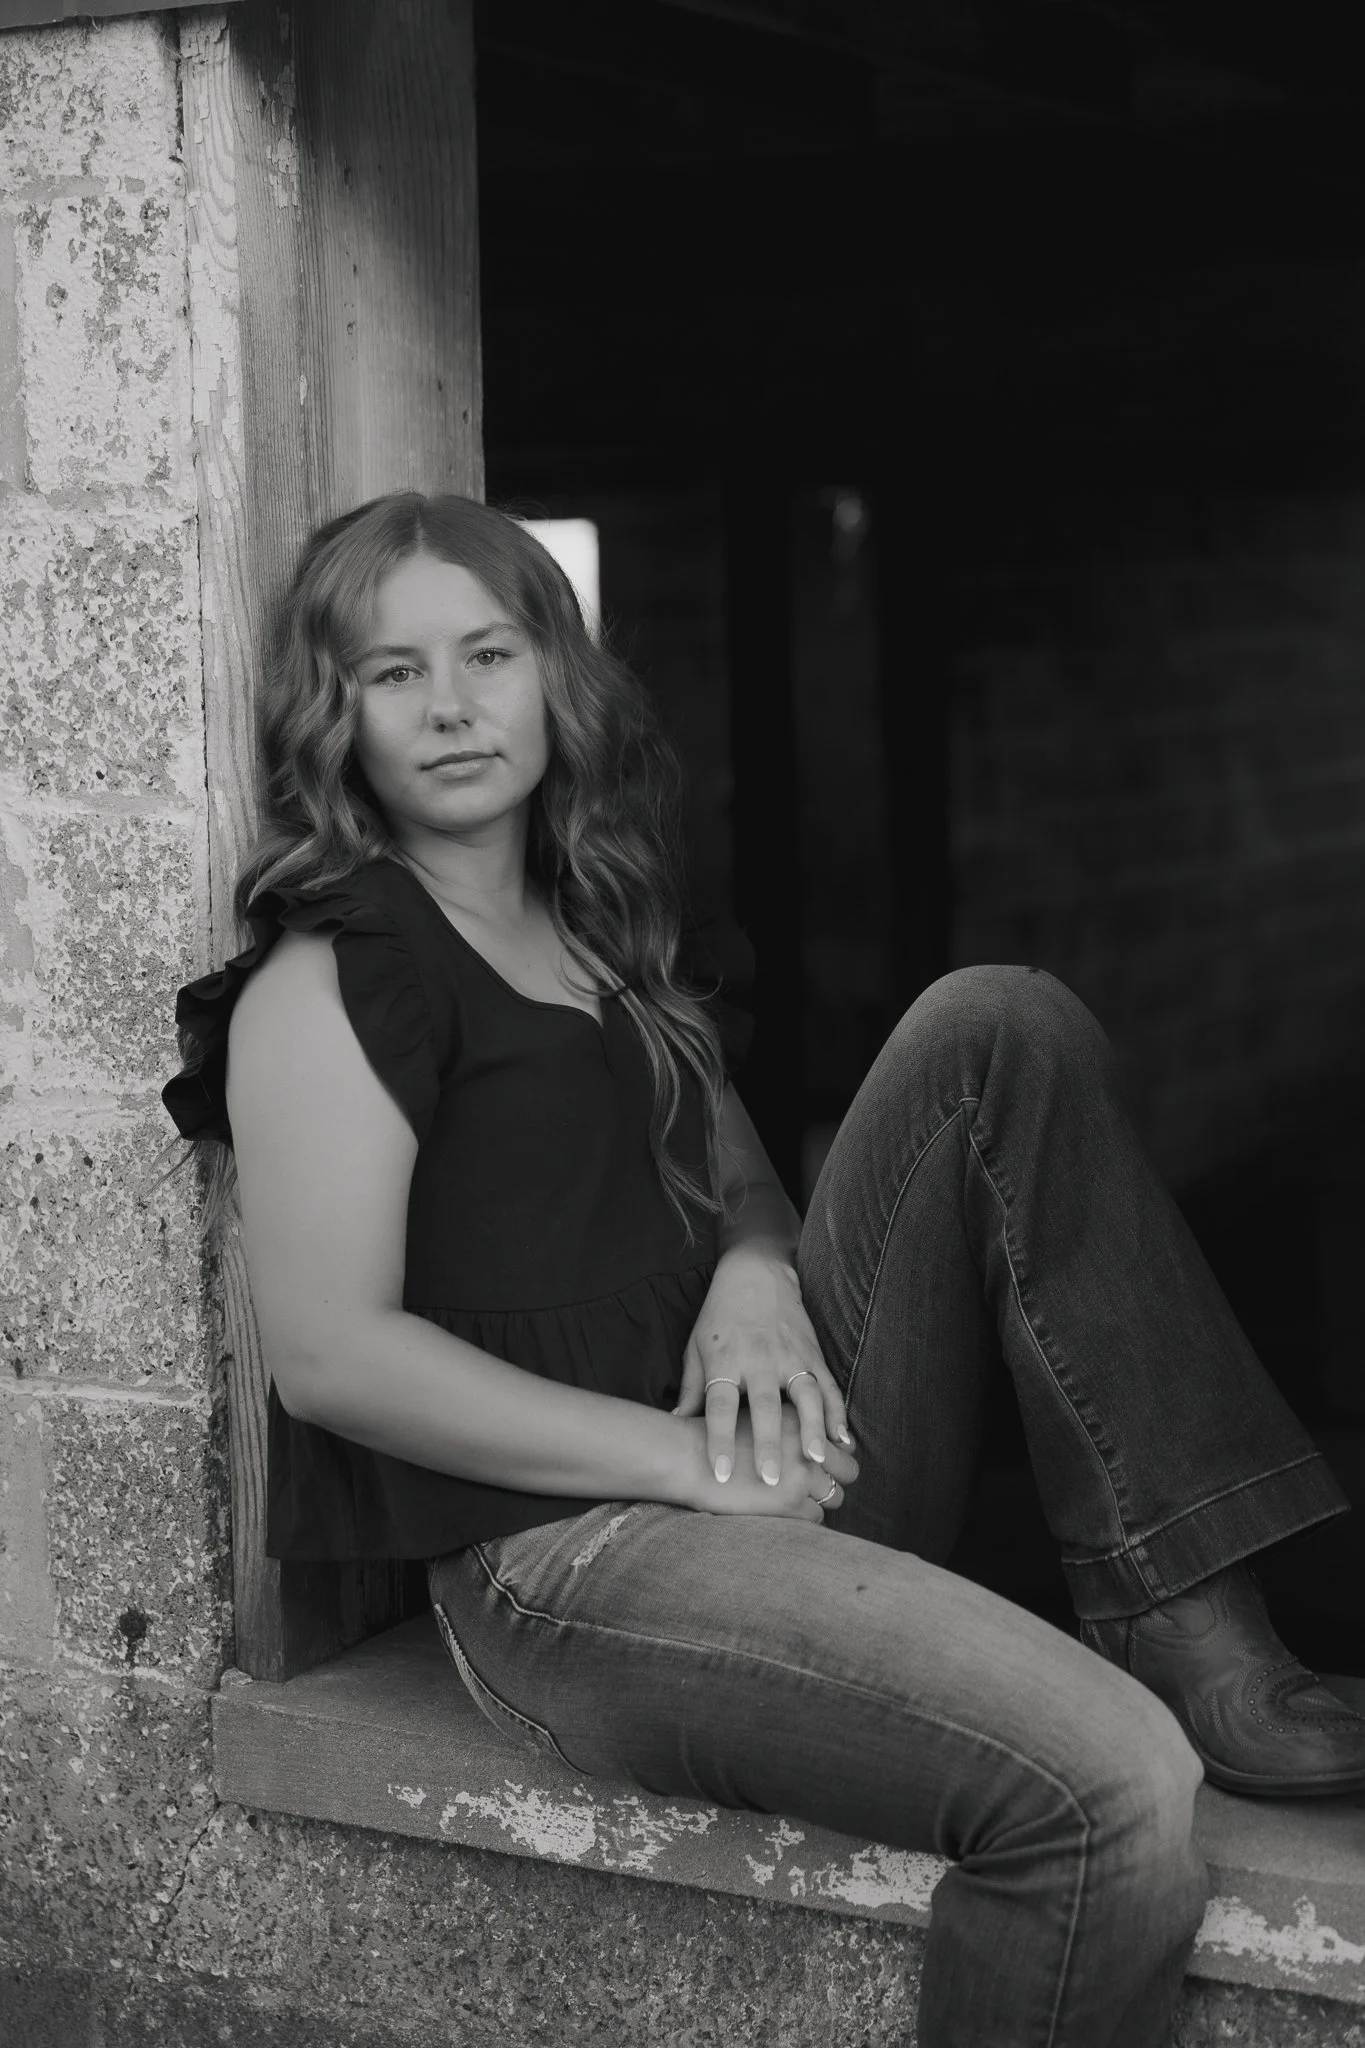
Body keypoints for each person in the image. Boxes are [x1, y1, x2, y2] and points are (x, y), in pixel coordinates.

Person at [163, 491, 1365, 2048]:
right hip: (575, 1563)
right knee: (1111, 1786)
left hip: (769, 1463)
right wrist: (681, 1464)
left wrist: (751, 1270)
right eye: (395, 674)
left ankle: (1196, 1622)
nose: (452, 706)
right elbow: (331, 1357)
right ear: (335, 717)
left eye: (489, 653)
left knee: (992, 1025)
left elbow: (734, 1174)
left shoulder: (599, 930)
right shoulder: (337, 974)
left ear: (557, 678)